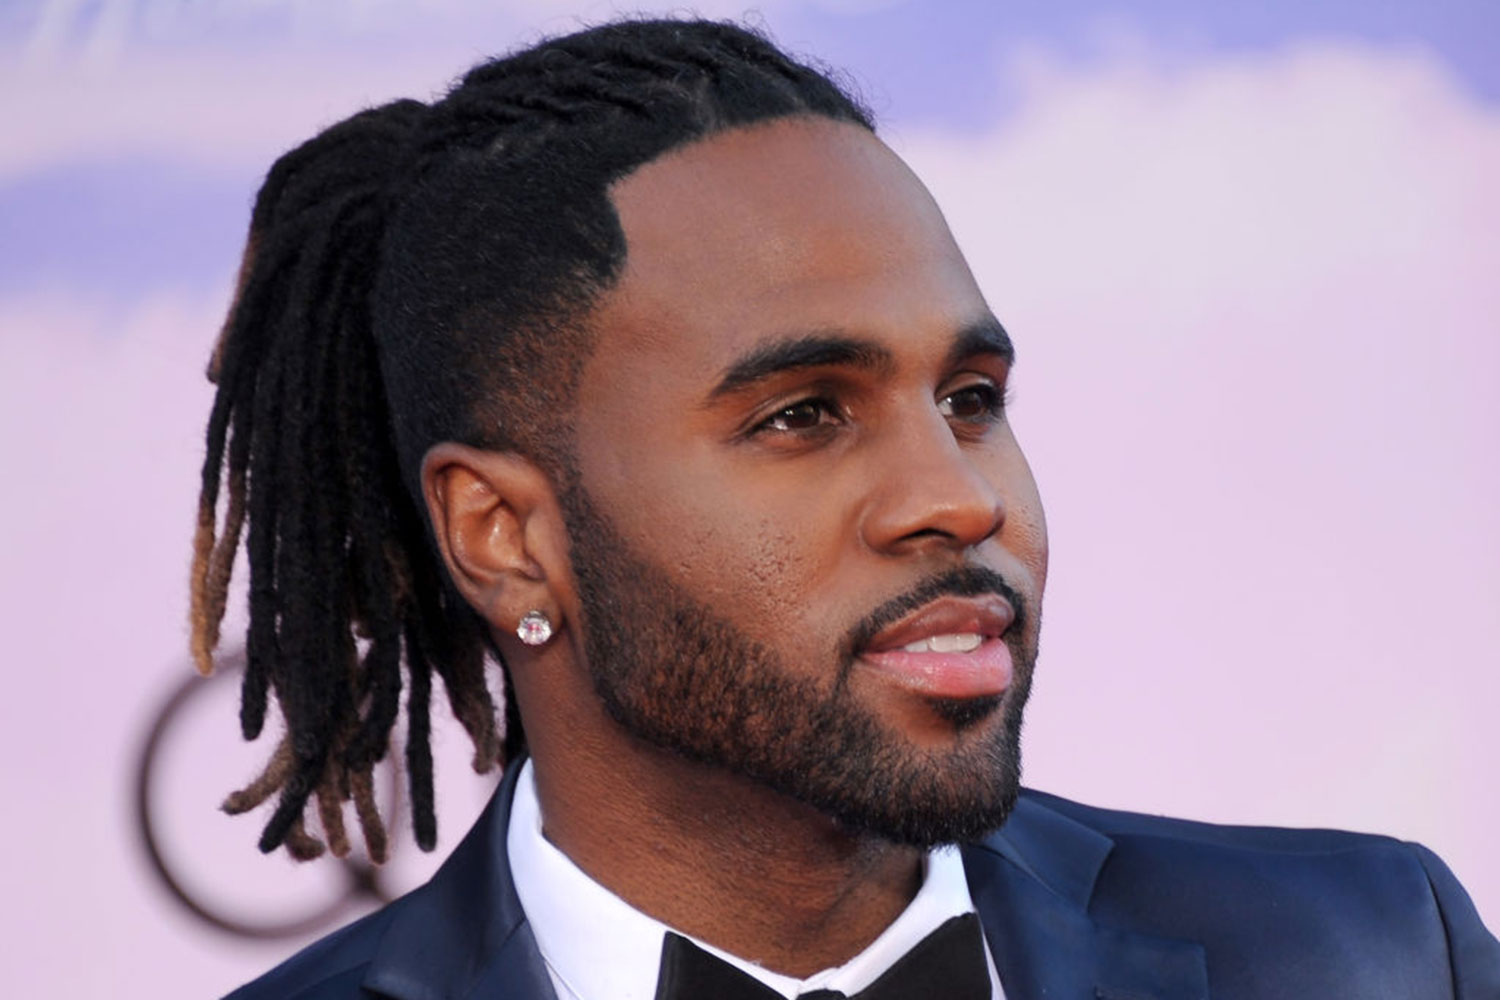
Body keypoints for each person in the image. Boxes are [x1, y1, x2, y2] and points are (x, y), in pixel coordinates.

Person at [192, 18, 1498, 1000]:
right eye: (800, 415)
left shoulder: (1371, 956)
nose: (958, 497)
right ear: (507, 538)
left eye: (972, 397)